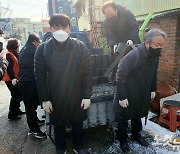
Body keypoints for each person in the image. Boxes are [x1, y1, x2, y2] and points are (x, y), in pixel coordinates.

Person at [34, 14, 92, 154]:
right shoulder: (42, 49)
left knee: (77, 122)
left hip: (76, 93)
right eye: (56, 27)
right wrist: (45, 99)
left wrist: (87, 95)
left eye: (64, 27)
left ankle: (78, 146)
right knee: (58, 124)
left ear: (69, 28)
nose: (60, 30)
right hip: (55, 94)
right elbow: (40, 76)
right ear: (51, 29)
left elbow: (88, 72)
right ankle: (60, 147)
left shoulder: (80, 46)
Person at [113, 28, 167, 152]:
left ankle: (136, 135)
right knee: (123, 118)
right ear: (147, 43)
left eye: (161, 45)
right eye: (157, 45)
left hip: (142, 92)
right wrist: (122, 97)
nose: (159, 48)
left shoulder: (155, 56)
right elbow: (120, 75)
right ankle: (123, 140)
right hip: (128, 92)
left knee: (137, 115)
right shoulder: (134, 55)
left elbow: (154, 73)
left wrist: (153, 89)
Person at [102, 1, 141, 82]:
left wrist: (131, 39)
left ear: (116, 10)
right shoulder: (106, 23)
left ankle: (135, 81)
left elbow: (134, 27)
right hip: (118, 44)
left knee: (134, 62)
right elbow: (109, 35)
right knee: (115, 61)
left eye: (112, 14)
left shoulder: (126, 14)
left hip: (132, 41)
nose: (110, 16)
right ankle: (114, 80)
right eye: (108, 15)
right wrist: (113, 44)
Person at [18, 34, 46, 139]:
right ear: (34, 41)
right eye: (38, 42)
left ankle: (36, 121)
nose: (39, 44)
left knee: (31, 105)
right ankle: (34, 130)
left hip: (24, 81)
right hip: (29, 82)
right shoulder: (33, 50)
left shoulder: (24, 49)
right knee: (30, 107)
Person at [2, 39, 25, 120]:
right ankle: (11, 113)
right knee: (15, 95)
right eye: (18, 44)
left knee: (17, 95)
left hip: (13, 78)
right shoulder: (9, 54)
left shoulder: (13, 53)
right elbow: (9, 68)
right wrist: (13, 78)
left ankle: (16, 110)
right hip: (10, 79)